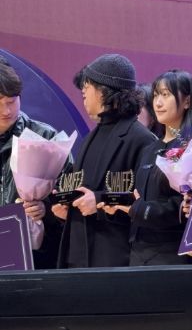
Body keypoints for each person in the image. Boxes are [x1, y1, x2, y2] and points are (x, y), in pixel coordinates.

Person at [54, 54, 156, 268]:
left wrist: (99, 202)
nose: (83, 90)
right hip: (76, 256)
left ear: (106, 90)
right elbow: (83, 190)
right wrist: (64, 204)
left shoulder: (142, 139)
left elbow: (147, 202)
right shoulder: (91, 137)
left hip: (113, 258)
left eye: (88, 84)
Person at [102, 70, 192, 266]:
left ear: (187, 101)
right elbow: (138, 197)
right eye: (156, 95)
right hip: (138, 252)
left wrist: (142, 210)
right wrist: (115, 204)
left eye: (166, 95)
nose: (158, 103)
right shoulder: (150, 148)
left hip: (172, 254)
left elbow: (185, 206)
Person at [0, 57, 73, 269]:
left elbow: (69, 195)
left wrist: (45, 209)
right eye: (0, 102)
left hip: (32, 256)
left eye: (12, 101)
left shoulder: (44, 138)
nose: (6, 111)